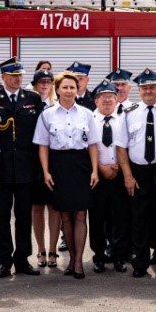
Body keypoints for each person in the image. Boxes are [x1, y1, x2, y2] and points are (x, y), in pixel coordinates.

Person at [0, 57, 46, 277]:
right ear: (3, 77)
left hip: (26, 169)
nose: (18, 79)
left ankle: (23, 259)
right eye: (13, 76)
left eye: (20, 75)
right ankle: (3, 259)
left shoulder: (33, 98)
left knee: (23, 216)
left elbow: (40, 136)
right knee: (0, 216)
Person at [35, 72, 98, 279]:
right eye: (65, 87)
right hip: (58, 165)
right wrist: (45, 172)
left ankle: (78, 261)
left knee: (80, 214)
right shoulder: (48, 114)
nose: (69, 91)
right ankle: (71, 258)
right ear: (58, 89)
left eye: (73, 87)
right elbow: (43, 145)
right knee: (65, 216)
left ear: (77, 89)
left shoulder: (87, 114)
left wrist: (95, 170)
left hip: (81, 165)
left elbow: (93, 145)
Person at [119, 69, 156, 278]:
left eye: (152, 87)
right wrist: (128, 176)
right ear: (138, 90)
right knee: (139, 218)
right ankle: (140, 261)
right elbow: (121, 146)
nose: (148, 91)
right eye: (144, 87)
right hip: (138, 171)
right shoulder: (129, 112)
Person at [87, 81, 129, 273]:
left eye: (110, 96)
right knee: (97, 218)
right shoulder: (88, 120)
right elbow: (85, 149)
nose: (106, 100)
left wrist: (120, 167)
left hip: (119, 175)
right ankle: (99, 256)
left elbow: (129, 146)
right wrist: (100, 168)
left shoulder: (124, 119)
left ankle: (119, 255)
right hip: (98, 176)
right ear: (96, 101)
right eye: (102, 97)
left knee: (120, 217)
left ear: (117, 99)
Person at [29, 68, 60, 268]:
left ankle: (52, 250)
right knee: (37, 207)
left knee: (54, 207)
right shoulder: (28, 104)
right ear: (34, 84)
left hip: (55, 161)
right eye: (41, 81)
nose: (45, 85)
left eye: (48, 82)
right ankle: (40, 249)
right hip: (33, 162)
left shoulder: (58, 105)